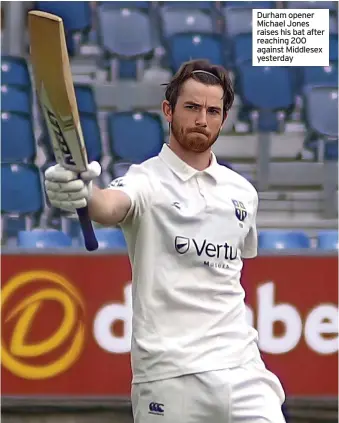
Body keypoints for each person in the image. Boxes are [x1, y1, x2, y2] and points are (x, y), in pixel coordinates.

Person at [45, 59, 286, 423]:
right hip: (168, 377)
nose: (202, 119)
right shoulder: (146, 181)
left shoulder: (243, 193)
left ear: (223, 118)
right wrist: (81, 193)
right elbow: (109, 205)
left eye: (213, 111)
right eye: (191, 107)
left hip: (244, 370)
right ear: (168, 111)